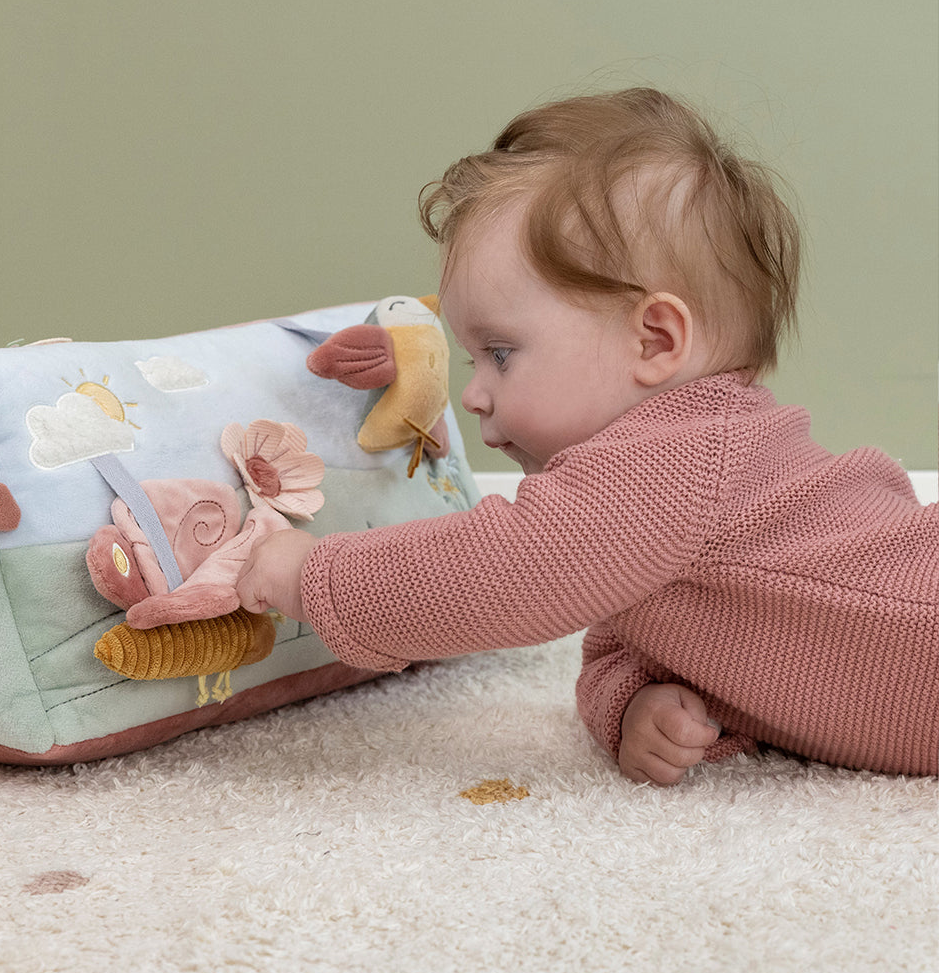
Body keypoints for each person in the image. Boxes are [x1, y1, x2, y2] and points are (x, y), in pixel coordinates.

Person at [235, 87, 938, 785]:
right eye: (473, 359)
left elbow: (505, 572)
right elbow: (609, 643)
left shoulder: (679, 458)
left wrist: (313, 576)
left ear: (655, 340)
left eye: (501, 353)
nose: (473, 393)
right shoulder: (646, 526)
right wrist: (632, 705)